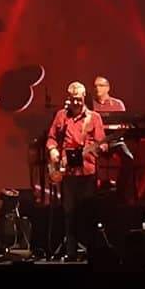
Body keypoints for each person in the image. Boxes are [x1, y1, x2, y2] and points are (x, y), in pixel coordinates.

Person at [46, 82, 105, 261]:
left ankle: (90, 252)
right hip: (68, 173)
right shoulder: (61, 116)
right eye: (73, 100)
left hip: (87, 172)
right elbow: (51, 138)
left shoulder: (94, 117)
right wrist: (53, 150)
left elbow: (102, 142)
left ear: (84, 97)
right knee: (69, 214)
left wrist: (100, 148)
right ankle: (71, 252)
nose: (77, 103)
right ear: (69, 99)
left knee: (88, 214)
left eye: (79, 99)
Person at [92, 76, 135, 203]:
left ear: (108, 88)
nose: (97, 88)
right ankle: (93, 192)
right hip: (97, 141)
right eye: (95, 86)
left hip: (115, 140)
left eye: (100, 85)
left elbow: (123, 124)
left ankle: (121, 190)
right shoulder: (90, 105)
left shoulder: (118, 104)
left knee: (129, 158)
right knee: (88, 156)